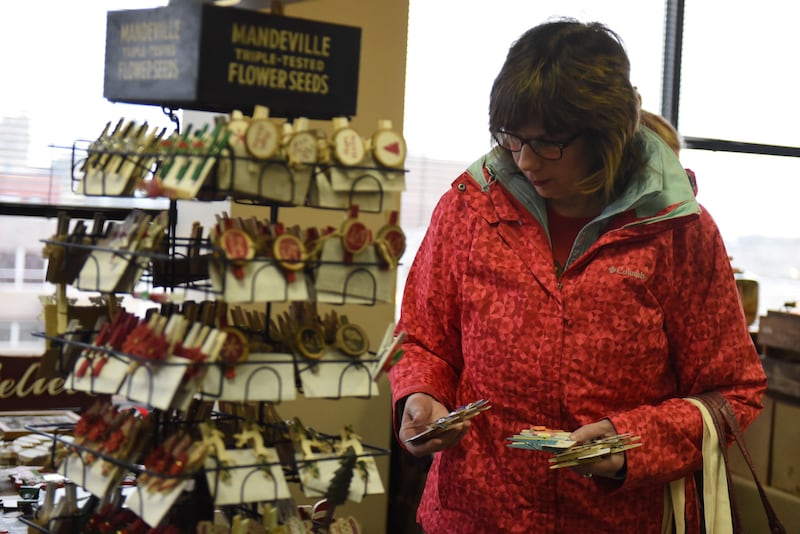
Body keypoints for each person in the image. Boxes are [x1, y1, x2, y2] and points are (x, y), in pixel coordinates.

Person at [388, 17, 767, 533]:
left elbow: (732, 392)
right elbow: (422, 338)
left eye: (548, 144)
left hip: (616, 519)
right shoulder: (469, 210)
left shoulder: (679, 233)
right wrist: (420, 397)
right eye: (511, 138)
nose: (524, 161)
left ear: (605, 133)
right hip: (476, 513)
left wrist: (629, 443)